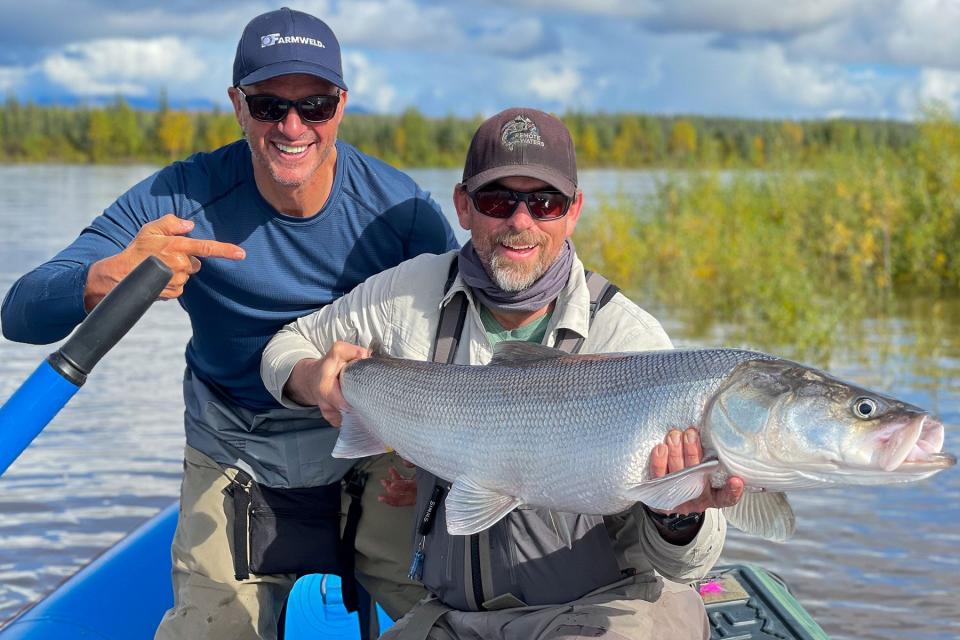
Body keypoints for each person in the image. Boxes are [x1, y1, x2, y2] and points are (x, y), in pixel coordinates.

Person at [0, 8, 457, 640]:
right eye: (270, 105)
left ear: (341, 107)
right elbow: (20, 311)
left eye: (315, 105)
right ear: (238, 106)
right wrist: (105, 277)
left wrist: (421, 459)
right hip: (234, 449)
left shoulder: (401, 214)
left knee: (457, 620)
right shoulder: (180, 199)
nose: (292, 127)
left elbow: (459, 347)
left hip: (371, 443)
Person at [260, 107, 744, 639]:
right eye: (498, 200)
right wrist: (315, 380)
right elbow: (286, 345)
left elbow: (687, 568)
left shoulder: (629, 339)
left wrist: (678, 516)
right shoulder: (407, 294)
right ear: (463, 206)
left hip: (601, 611)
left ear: (573, 210)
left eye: (544, 202)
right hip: (454, 616)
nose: (521, 222)